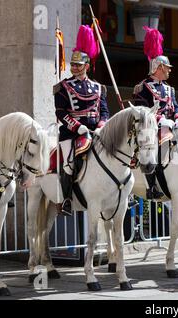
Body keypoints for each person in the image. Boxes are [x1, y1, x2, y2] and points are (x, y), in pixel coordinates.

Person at [54, 25, 109, 216]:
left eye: (78, 65)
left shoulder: (99, 88)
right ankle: (67, 200)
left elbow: (104, 111)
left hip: (96, 133)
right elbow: (61, 112)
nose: (74, 67)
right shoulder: (63, 87)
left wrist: (102, 125)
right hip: (72, 133)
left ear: (87, 66)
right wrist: (77, 127)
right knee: (69, 164)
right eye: (73, 64)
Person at [133, 26, 178, 200]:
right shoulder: (143, 87)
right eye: (167, 68)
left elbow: (176, 107)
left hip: (170, 127)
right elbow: (142, 110)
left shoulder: (170, 89)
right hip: (151, 128)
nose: (170, 70)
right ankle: (151, 185)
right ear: (158, 67)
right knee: (152, 148)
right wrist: (161, 119)